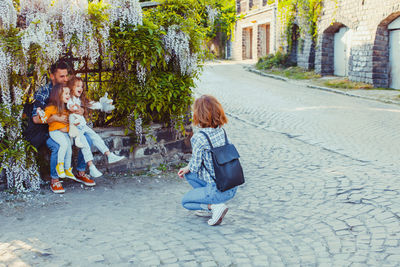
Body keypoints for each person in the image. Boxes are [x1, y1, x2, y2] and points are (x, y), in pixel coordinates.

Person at [31, 61, 95, 193]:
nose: (66, 79)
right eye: (62, 76)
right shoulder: (43, 92)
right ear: (52, 76)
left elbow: (80, 105)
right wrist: (53, 118)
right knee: (58, 146)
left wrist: (81, 112)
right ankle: (55, 180)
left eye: (67, 76)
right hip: (49, 131)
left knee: (87, 140)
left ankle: (81, 173)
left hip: (68, 129)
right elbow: (35, 118)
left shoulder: (69, 89)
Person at [178, 95, 238, 226]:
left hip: (217, 191)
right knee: (188, 173)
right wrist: (187, 169)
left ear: (198, 114)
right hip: (231, 186)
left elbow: (195, 166)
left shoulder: (199, 137)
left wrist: (189, 167)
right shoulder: (222, 132)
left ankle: (214, 207)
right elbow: (192, 169)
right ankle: (211, 204)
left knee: (186, 202)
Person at [66, 76, 125, 178]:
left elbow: (91, 104)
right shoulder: (69, 99)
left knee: (96, 138)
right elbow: (70, 106)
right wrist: (76, 108)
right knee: (85, 145)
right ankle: (91, 166)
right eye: (77, 86)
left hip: (83, 126)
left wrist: (102, 105)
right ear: (71, 87)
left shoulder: (79, 99)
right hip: (76, 128)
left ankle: (108, 154)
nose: (80, 88)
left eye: (82, 86)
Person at [36, 84, 74, 193]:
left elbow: (71, 120)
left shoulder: (67, 107)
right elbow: (42, 119)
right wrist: (41, 113)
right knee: (60, 146)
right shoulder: (51, 107)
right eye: (66, 94)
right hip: (52, 133)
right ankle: (55, 177)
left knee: (69, 148)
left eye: (69, 93)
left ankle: (67, 169)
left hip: (64, 134)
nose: (68, 95)